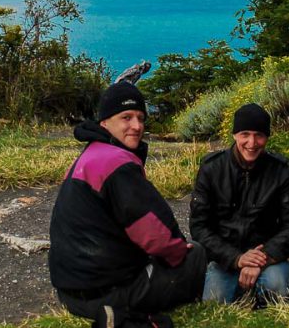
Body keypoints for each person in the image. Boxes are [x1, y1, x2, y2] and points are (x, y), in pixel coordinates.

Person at [49, 81, 206, 326]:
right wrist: (178, 253)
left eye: (141, 118)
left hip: (70, 293)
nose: (137, 126)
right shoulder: (117, 164)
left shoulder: (90, 156)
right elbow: (153, 233)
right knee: (195, 254)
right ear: (104, 122)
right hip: (106, 294)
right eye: (126, 117)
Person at [190, 103, 289, 305]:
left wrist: (263, 257)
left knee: (277, 288)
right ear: (235, 135)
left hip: (267, 259)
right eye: (245, 134)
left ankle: (254, 294)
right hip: (224, 260)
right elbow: (199, 227)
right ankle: (242, 292)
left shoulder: (280, 170)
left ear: (267, 137)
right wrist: (236, 258)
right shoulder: (212, 168)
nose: (252, 142)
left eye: (259, 135)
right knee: (214, 303)